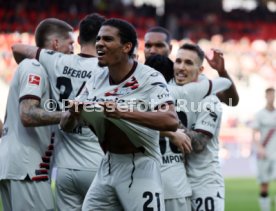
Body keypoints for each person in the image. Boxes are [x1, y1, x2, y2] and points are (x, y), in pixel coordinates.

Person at [60, 18, 179, 211]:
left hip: (141, 164)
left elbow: (171, 120)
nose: (99, 43)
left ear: (126, 47)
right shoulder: (95, 79)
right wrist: (72, 113)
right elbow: (65, 125)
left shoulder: (149, 77)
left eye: (107, 39)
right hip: (107, 164)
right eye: (98, 39)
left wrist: (122, 112)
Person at [12, 13, 106, 210]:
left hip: (63, 168)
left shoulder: (56, 61)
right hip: (95, 162)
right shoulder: (107, 69)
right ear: (103, 40)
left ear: (79, 40)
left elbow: (18, 48)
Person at [0, 18, 74, 211]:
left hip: (17, 167)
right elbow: (27, 114)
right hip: (28, 169)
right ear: (56, 43)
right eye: (71, 43)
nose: (73, 50)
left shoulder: (38, 69)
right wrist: (68, 114)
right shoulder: (35, 67)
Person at [145, 48, 230, 210]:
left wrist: (169, 120)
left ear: (200, 70)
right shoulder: (168, 88)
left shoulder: (209, 100)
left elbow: (198, 145)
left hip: (204, 181)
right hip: (179, 179)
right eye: (178, 61)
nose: (181, 67)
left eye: (188, 63)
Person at [143, 26, 239, 107]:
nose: (152, 51)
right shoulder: (134, 75)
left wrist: (222, 72)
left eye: (159, 46)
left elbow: (231, 101)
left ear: (170, 48)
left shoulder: (184, 75)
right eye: (148, 46)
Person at [252, 87, 276, 211]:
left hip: (275, 154)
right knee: (264, 184)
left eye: (273, 95)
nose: (272, 97)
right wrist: (259, 148)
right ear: (266, 96)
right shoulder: (260, 114)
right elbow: (254, 134)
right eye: (270, 95)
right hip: (265, 154)